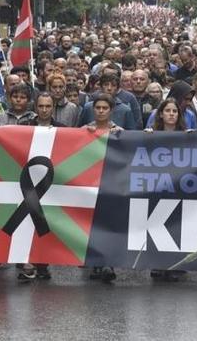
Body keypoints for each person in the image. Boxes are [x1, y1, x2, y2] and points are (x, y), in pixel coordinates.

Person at [145, 98, 189, 282]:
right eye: (168, 111)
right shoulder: (151, 133)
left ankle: (173, 264)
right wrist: (144, 136)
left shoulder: (187, 135)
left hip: (179, 187)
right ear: (161, 114)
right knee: (156, 225)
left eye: (175, 111)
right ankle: (157, 263)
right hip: (157, 186)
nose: (171, 114)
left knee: (175, 225)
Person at [85, 94, 122, 282]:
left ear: (111, 110)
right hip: (89, 185)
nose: (100, 111)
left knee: (109, 225)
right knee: (92, 225)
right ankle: (94, 263)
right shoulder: (84, 131)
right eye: (97, 108)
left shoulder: (120, 132)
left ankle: (109, 263)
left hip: (111, 185)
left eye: (104, 108)